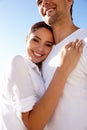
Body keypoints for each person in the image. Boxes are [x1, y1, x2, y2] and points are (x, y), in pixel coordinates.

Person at [0, 21, 84, 130]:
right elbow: (32, 126)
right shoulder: (18, 62)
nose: (40, 48)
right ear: (27, 39)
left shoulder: (40, 70)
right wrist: (63, 68)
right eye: (36, 40)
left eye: (48, 44)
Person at [36, 0, 87, 130]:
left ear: (69, 1)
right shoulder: (42, 54)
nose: (44, 3)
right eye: (39, 1)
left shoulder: (85, 40)